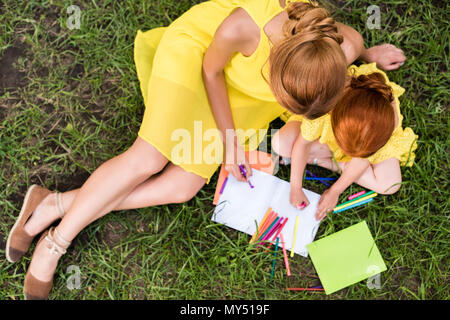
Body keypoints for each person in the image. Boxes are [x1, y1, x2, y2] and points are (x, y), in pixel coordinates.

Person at [5, 0, 406, 299]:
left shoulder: (345, 46)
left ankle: (56, 203)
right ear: (277, 66)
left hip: (248, 99)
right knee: (149, 158)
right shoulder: (244, 27)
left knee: (181, 187)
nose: (288, 115)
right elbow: (211, 71)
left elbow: (355, 42)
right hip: (199, 61)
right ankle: (54, 243)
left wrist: (371, 55)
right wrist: (231, 144)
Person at [272, 63, 417, 221]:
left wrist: (335, 190)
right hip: (335, 136)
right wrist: (295, 187)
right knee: (280, 144)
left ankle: (321, 161)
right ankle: (338, 164)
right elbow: (301, 144)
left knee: (391, 184)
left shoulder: (386, 124)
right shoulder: (324, 108)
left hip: (361, 143)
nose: (346, 154)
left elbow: (363, 158)